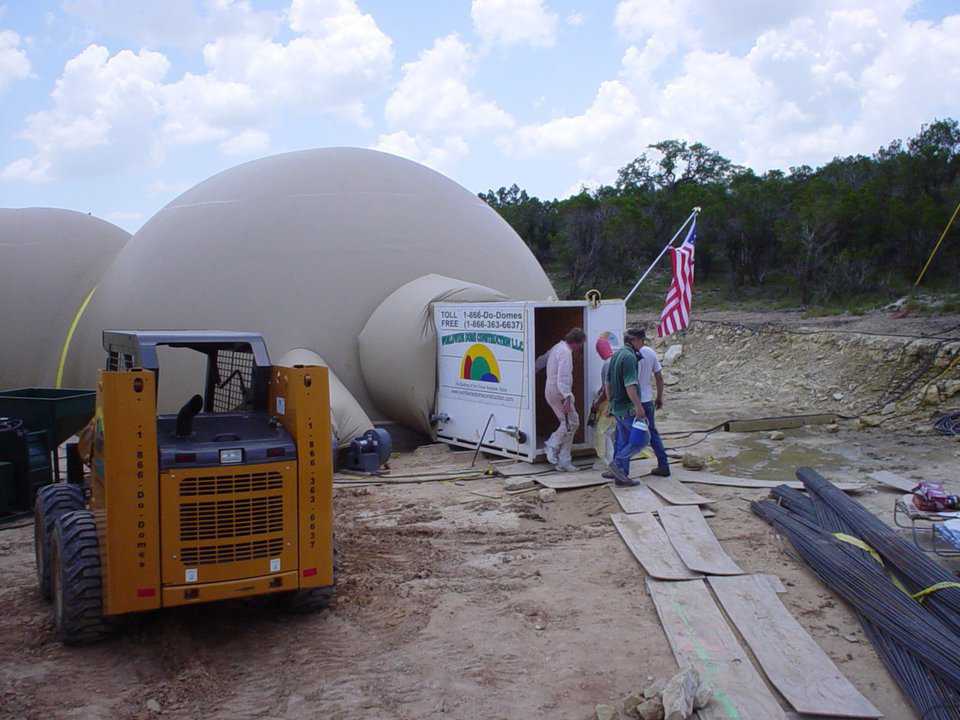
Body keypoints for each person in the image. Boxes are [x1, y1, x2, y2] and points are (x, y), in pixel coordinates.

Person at [607, 327, 670, 485]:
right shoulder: (634, 356)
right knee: (645, 438)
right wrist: (658, 397)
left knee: (623, 439)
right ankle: (662, 465)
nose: (643, 344)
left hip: (621, 405)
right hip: (638, 402)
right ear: (635, 340)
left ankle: (621, 473)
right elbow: (655, 378)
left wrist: (610, 403)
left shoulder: (617, 355)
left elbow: (608, 382)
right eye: (642, 340)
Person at [542, 327, 586, 471]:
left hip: (550, 390)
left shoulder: (557, 347)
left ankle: (564, 460)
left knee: (569, 423)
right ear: (576, 343)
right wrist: (567, 397)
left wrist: (531, 370)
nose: (580, 348)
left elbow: (542, 360)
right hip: (559, 392)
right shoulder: (566, 353)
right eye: (581, 345)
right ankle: (553, 445)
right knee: (572, 422)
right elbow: (564, 377)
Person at [589, 335, 616, 470]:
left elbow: (607, 390)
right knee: (609, 431)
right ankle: (610, 459)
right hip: (617, 402)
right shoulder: (615, 360)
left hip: (609, 403)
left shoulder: (607, 364)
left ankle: (604, 460)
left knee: (601, 431)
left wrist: (597, 403)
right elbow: (605, 385)